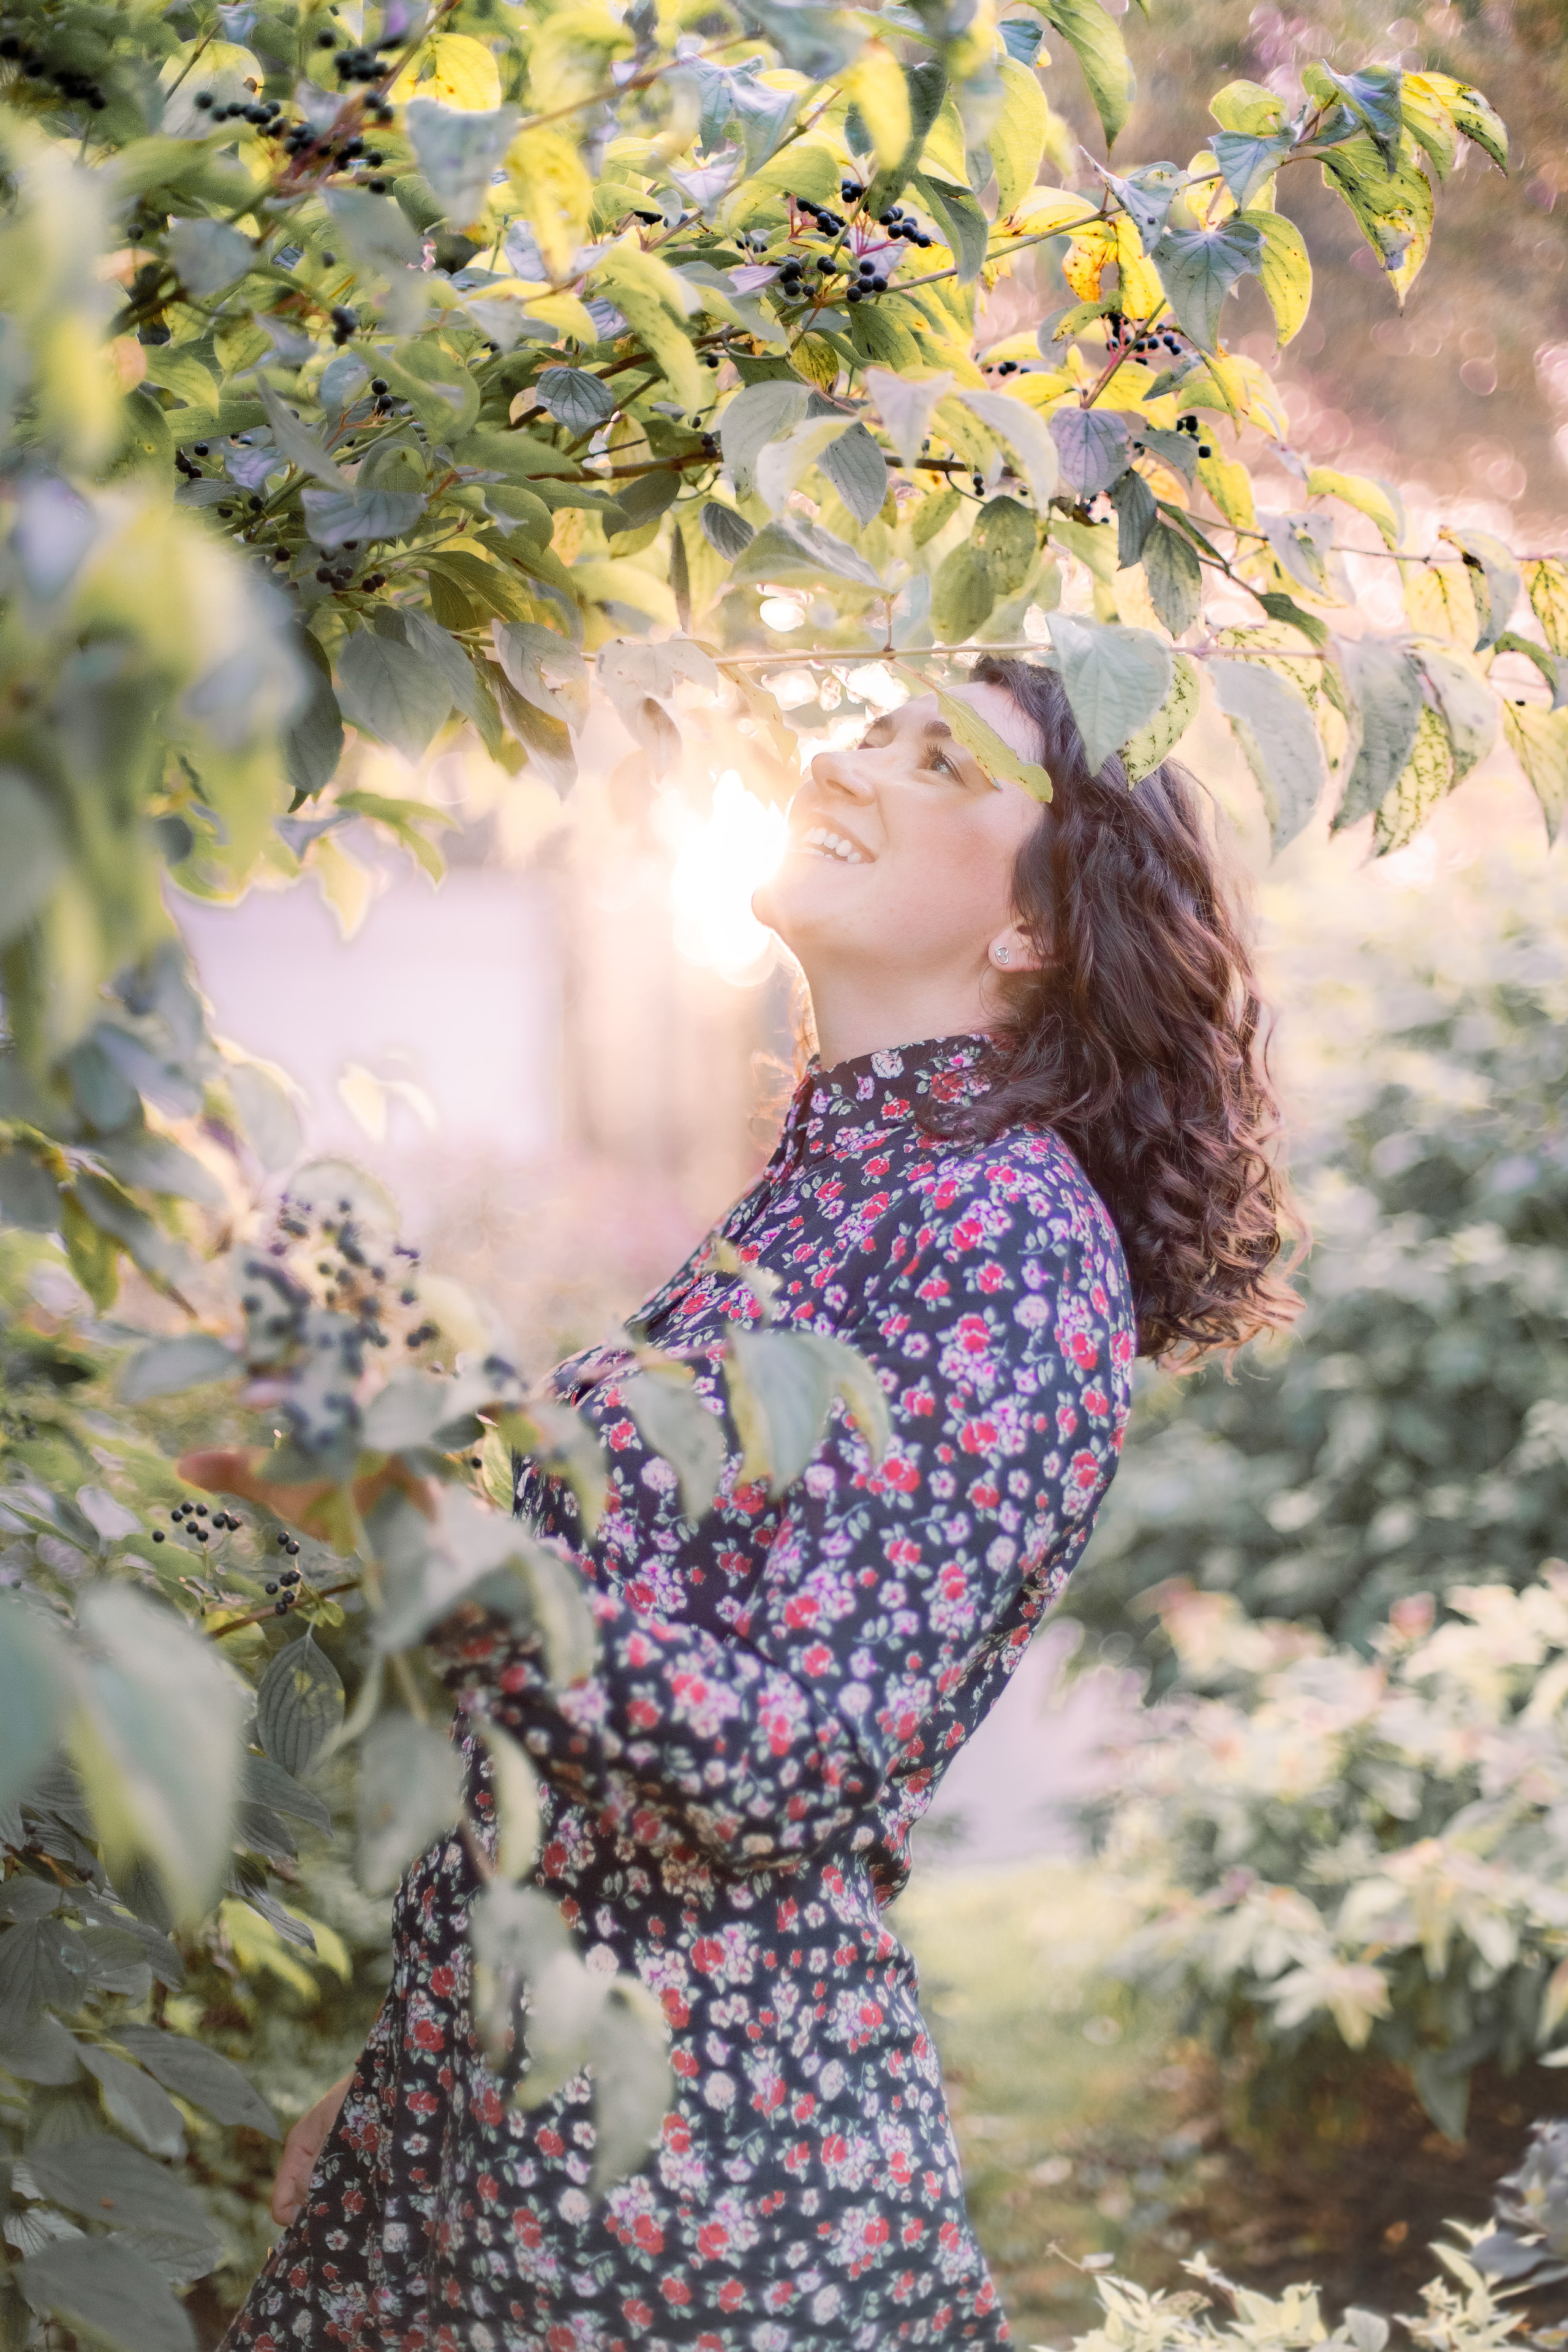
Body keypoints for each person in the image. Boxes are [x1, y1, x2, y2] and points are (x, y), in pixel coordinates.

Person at [203, 655, 1298, 2351]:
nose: (848, 760)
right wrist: (405, 2087)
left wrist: (419, 1536)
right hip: (499, 2120)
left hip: (699, 2187)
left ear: (1036, 927)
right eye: (873, 724)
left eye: (939, 759)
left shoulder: (1002, 1234)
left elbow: (799, 1758)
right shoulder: (835, 1191)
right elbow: (602, 1740)